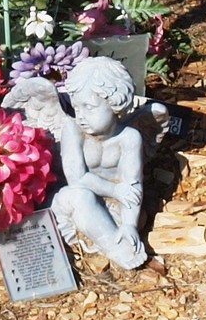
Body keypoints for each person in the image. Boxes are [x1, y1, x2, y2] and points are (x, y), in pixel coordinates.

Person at [50, 57, 147, 269]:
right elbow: (76, 179)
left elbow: (131, 186)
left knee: (129, 218)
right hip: (75, 201)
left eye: (89, 107)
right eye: (76, 108)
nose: (81, 116)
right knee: (79, 196)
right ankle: (116, 247)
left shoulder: (129, 138)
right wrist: (115, 190)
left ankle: (121, 235)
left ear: (114, 103)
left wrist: (129, 224)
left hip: (112, 205)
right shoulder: (73, 130)